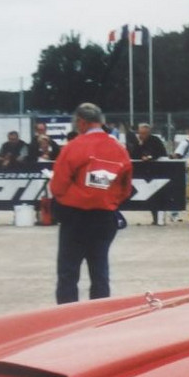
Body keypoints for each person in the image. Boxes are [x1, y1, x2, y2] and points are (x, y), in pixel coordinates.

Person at [49, 102, 132, 304]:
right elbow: (125, 188)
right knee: (100, 272)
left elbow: (58, 186)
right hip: (104, 218)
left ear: (82, 122)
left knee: (68, 273)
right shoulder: (119, 149)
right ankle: (99, 318)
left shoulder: (73, 147)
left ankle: (68, 318)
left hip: (75, 218)